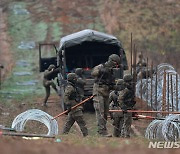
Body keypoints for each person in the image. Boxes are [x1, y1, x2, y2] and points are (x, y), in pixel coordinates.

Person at [91, 54, 121, 137]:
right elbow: (93, 73)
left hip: (106, 92)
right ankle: (102, 131)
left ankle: (103, 130)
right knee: (100, 111)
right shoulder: (101, 66)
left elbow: (111, 84)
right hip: (98, 91)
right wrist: (101, 71)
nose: (116, 66)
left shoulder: (111, 71)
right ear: (112, 61)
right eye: (116, 63)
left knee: (105, 113)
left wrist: (118, 87)